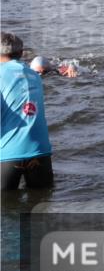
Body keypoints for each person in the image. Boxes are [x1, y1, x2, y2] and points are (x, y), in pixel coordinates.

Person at [1, 32, 53, 190]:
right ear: (21, 53)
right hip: (41, 152)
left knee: (5, 210)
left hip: (8, 155)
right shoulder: (34, 75)